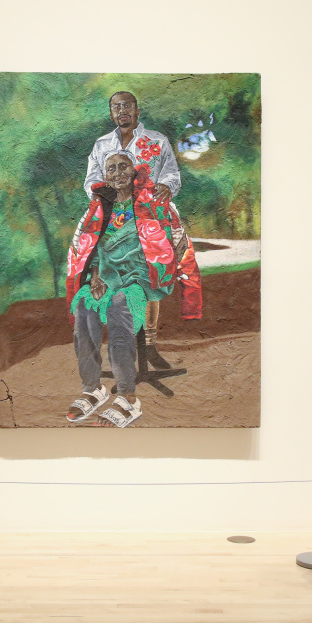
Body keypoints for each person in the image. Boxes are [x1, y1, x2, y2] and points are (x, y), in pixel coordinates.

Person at [65, 152, 198, 427]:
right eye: (110, 169)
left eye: (122, 166)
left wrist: (162, 267)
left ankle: (128, 398)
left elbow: (179, 239)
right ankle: (93, 389)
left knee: (119, 307)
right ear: (105, 175)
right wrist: (96, 277)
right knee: (83, 306)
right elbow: (86, 246)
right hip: (108, 278)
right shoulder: (99, 207)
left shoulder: (154, 202)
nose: (117, 173)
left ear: (134, 171)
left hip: (141, 279)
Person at [83, 91, 202, 367]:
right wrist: (107, 197)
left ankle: (149, 346)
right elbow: (91, 179)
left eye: (127, 106)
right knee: (92, 258)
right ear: (111, 113)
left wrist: (165, 186)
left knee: (153, 273)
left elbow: (172, 174)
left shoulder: (157, 141)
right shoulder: (101, 145)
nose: (122, 111)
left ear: (137, 110)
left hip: (152, 214)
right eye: (116, 107)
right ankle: (121, 346)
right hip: (113, 212)